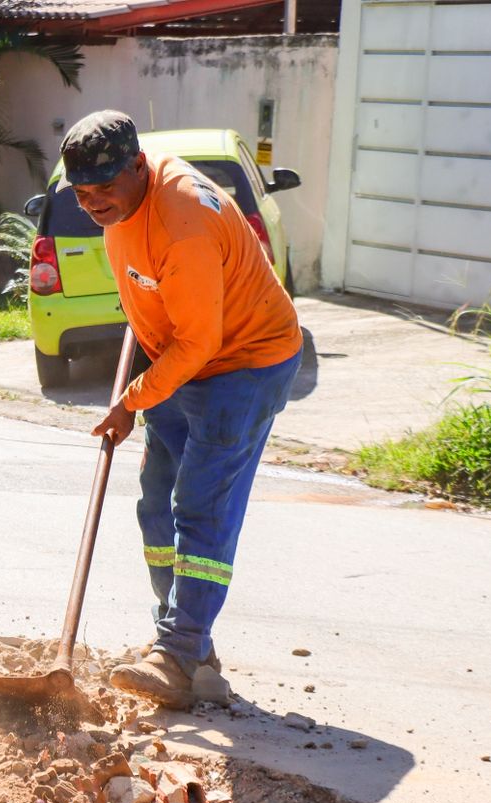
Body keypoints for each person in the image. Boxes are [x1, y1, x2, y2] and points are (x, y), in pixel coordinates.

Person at [61, 110, 303, 708]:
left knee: (200, 504)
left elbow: (200, 343)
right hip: (182, 358)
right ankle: (188, 646)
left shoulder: (184, 220)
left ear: (138, 167)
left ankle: (176, 652)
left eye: (104, 188)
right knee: (156, 505)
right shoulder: (120, 207)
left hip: (244, 363)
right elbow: (154, 297)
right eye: (81, 193)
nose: (92, 203)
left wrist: (130, 401)